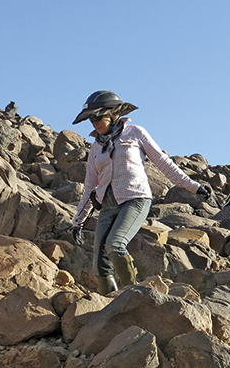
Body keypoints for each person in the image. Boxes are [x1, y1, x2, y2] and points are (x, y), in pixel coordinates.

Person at [69, 90, 212, 294]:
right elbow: (90, 187)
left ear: (113, 114)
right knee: (100, 264)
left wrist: (193, 186)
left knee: (115, 244)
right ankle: (112, 306)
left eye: (98, 117)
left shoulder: (135, 133)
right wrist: (78, 222)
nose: (94, 123)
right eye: (91, 119)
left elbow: (163, 162)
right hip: (107, 205)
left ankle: (133, 296)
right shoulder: (95, 149)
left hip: (135, 199)